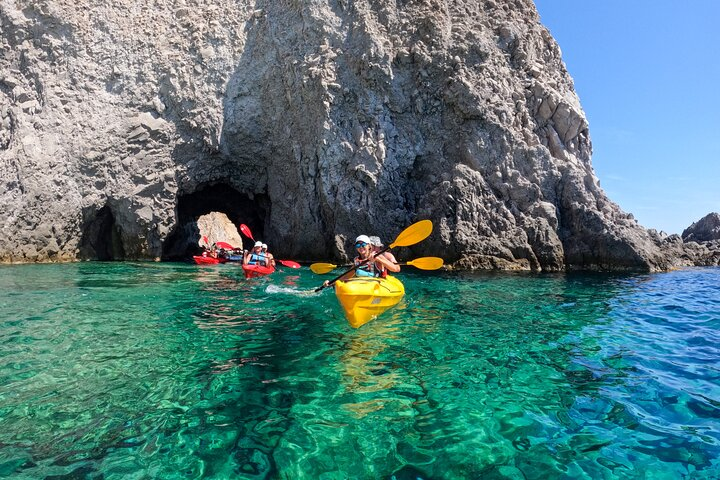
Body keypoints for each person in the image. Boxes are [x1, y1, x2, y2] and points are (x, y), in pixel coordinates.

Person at [323, 234, 398, 286]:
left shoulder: (378, 256)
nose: (361, 247)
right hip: (362, 286)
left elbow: (395, 269)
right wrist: (331, 283)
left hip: (378, 286)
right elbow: (346, 276)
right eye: (358, 245)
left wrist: (378, 259)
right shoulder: (357, 260)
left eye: (363, 244)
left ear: (369, 246)